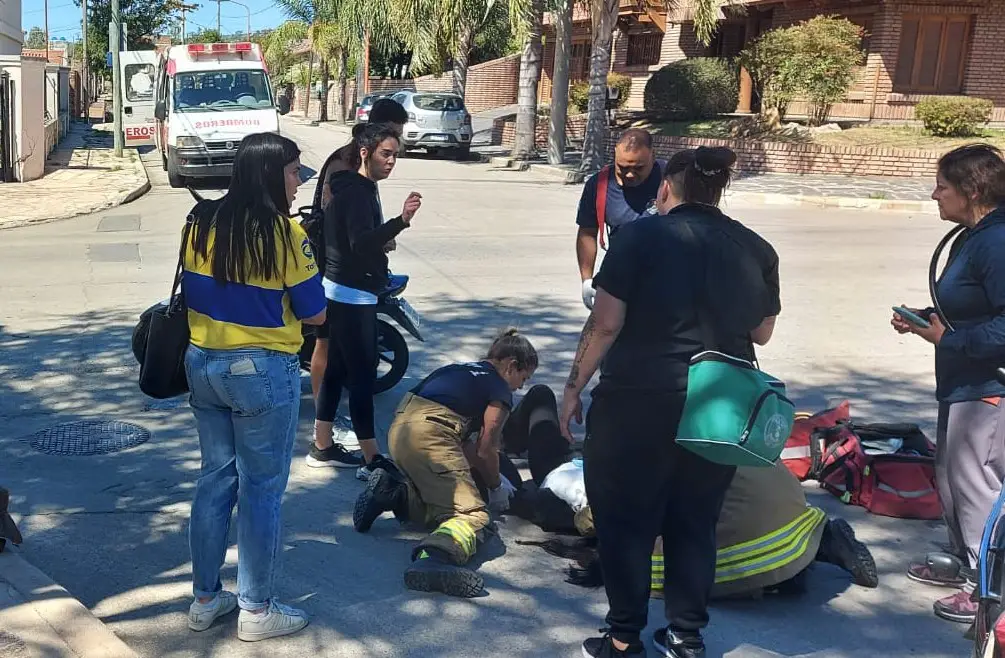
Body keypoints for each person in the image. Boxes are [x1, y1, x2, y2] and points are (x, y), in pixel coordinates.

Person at [560, 146, 781, 658]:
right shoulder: (756, 248)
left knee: (626, 521)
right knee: (696, 521)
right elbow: (762, 332)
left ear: (665, 187)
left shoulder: (639, 237)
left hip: (639, 400)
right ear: (719, 189)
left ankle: (622, 638)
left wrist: (573, 389)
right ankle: (686, 636)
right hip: (718, 407)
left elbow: (605, 324)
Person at [500, 387, 877, 599]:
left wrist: (528, 503)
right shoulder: (701, 421)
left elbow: (609, 515)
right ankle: (816, 548)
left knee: (655, 570)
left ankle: (526, 411)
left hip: (740, 539)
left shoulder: (628, 459)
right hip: (794, 512)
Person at [181, 133, 326, 641]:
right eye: (293, 171)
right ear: (269, 174)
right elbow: (315, 312)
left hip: (202, 363)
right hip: (261, 371)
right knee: (261, 490)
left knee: (214, 481)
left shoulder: (199, 221)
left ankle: (204, 600)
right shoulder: (284, 232)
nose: (298, 181)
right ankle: (256, 611)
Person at [892, 144, 1005, 625]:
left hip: (987, 386)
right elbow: (967, 304)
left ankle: (985, 592)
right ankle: (965, 562)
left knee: (975, 483)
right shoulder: (971, 237)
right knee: (953, 479)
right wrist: (927, 318)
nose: (934, 195)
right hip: (962, 381)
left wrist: (948, 340)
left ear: (972, 191)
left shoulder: (996, 243)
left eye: (942, 186)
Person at [351, 329, 539, 598]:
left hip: (401, 431)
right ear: (511, 365)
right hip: (431, 437)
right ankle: (433, 559)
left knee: (442, 503)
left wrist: (487, 477)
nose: (520, 387)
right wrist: (496, 486)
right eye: (524, 377)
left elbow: (465, 447)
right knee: (473, 517)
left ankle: (393, 492)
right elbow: (486, 449)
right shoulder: (499, 388)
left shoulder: (460, 370)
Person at [309, 123, 421, 481]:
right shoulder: (357, 192)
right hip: (352, 295)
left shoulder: (352, 187)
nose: (391, 162)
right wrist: (400, 222)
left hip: (338, 289)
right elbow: (360, 243)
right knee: (361, 378)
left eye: (395, 156)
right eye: (385, 154)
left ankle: (322, 445)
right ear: (364, 153)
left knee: (337, 371)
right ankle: (372, 457)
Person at [576, 129, 665, 309]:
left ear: (653, 156)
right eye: (623, 167)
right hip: (619, 275)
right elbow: (587, 232)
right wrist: (587, 280)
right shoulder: (598, 185)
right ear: (615, 155)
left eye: (639, 168)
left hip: (665, 276)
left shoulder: (671, 178)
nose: (630, 174)